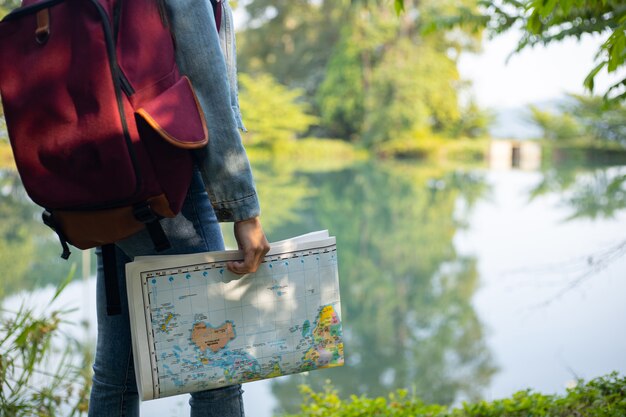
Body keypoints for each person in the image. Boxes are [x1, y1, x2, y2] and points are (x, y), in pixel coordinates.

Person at [88, 0, 270, 416]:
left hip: (106, 166)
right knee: (217, 370)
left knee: (118, 374)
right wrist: (243, 207)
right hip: (165, 181)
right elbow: (202, 72)